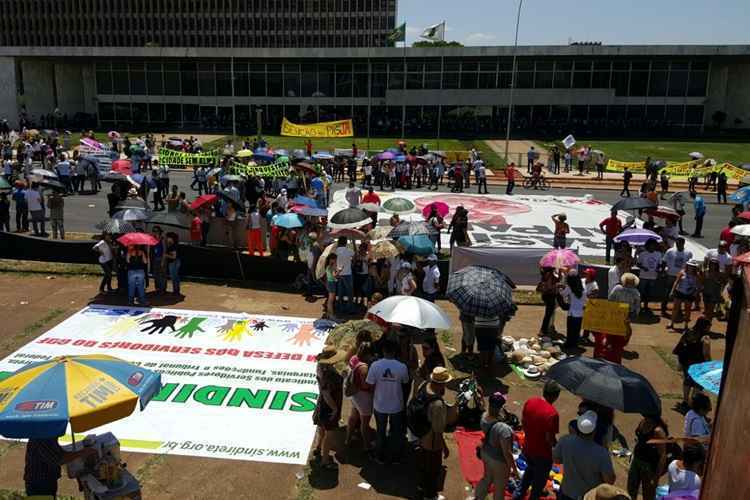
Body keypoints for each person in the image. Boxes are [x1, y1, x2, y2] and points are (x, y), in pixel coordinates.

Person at [513, 381, 560, 500]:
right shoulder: (552, 414)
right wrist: (558, 446)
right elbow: (549, 439)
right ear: (556, 396)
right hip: (542, 454)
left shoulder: (530, 402)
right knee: (538, 485)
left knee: (529, 472)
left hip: (528, 448)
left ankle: (517, 496)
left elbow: (523, 422)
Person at [553, 411, 616, 500]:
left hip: (566, 492)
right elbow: (610, 480)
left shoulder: (565, 440)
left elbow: (556, 460)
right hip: (588, 496)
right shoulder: (601, 453)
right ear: (594, 430)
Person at [366, 340, 409, 465]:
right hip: (396, 405)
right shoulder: (402, 367)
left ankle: (379, 456)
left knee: (380, 431)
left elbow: (369, 383)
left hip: (380, 404)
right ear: (395, 352)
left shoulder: (375, 365)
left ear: (383, 351)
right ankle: (395, 457)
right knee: (396, 432)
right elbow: (405, 382)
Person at [415, 367, 451, 499]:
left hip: (421, 433)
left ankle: (421, 486)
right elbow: (438, 429)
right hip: (432, 440)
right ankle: (430, 495)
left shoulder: (423, 386)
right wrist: (444, 447)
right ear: (441, 384)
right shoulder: (438, 404)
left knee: (423, 464)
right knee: (433, 469)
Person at [475, 392, 518, 500]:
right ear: (501, 407)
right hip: (499, 461)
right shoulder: (504, 429)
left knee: (486, 479)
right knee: (499, 488)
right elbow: (507, 453)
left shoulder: (484, 417)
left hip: (486, 453)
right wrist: (514, 470)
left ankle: (478, 497)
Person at [24, 438, 97, 497]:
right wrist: (81, 453)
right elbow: (58, 459)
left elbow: (60, 453)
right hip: (39, 485)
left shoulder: (49, 436)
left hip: (46, 481)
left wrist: (78, 456)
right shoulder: (42, 438)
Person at [312, 346, 345, 469]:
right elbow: (326, 393)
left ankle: (318, 448)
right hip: (329, 405)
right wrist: (335, 409)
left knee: (321, 427)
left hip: (323, 403)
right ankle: (325, 460)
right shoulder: (330, 374)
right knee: (329, 434)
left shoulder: (321, 368)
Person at [673, 318, 711, 412]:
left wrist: (680, 361)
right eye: (709, 326)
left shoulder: (688, 332)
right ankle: (693, 403)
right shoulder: (705, 337)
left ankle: (685, 401)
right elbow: (706, 353)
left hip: (686, 362)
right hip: (698, 364)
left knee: (687, 381)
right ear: (705, 326)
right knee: (698, 384)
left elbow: (680, 346)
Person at [626, 414, 668, 500]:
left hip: (649, 466)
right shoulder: (642, 422)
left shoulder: (658, 431)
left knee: (648, 495)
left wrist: (656, 478)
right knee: (631, 490)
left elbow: (663, 455)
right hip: (636, 461)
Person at [345, 342, 374, 452]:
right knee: (365, 423)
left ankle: (347, 439)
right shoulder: (364, 368)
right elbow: (365, 385)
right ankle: (367, 445)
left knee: (353, 418)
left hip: (354, 395)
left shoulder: (354, 358)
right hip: (363, 397)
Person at [661, 237, 693, 316]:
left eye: (680, 244)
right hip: (671, 275)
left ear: (683, 244)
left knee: (680, 293)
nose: (678, 245)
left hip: (682, 276)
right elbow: (664, 261)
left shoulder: (688, 253)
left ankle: (678, 310)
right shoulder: (670, 251)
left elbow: (690, 264)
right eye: (677, 243)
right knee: (667, 292)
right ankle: (663, 308)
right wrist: (662, 271)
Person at [668, 261, 702, 331]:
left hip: (690, 293)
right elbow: (676, 282)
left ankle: (686, 325)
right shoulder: (682, 272)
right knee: (675, 308)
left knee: (687, 309)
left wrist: (696, 293)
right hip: (680, 292)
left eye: (692, 266)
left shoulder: (697, 275)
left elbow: (698, 285)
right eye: (689, 265)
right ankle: (671, 323)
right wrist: (672, 291)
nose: (690, 267)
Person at [561, 270, 586, 349]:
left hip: (572, 312)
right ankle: (575, 344)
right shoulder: (582, 287)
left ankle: (569, 344)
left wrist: (561, 288)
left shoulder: (570, 287)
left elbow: (563, 294)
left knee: (570, 330)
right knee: (576, 330)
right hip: (580, 313)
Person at [636, 238, 663, 312]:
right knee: (641, 292)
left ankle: (646, 306)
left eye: (653, 245)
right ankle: (639, 306)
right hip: (643, 276)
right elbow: (638, 264)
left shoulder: (658, 254)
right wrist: (643, 268)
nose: (652, 247)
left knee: (649, 292)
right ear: (648, 246)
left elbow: (660, 264)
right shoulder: (642, 254)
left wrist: (658, 269)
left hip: (653, 276)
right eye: (651, 245)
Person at [537, 267, 560, 336]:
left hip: (545, 296)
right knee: (548, 314)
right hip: (550, 296)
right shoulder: (550, 276)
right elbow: (552, 285)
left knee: (548, 313)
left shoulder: (544, 275)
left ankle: (546, 329)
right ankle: (543, 330)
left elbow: (557, 280)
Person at [335, 237, 355, 313]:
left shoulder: (336, 251)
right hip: (348, 273)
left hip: (339, 273)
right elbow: (354, 254)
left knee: (340, 292)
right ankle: (350, 308)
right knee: (349, 292)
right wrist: (353, 243)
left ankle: (340, 307)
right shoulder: (349, 250)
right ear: (346, 242)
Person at [324, 253, 340, 320]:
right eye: (335, 259)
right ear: (332, 259)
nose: (336, 260)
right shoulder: (332, 266)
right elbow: (334, 276)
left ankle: (329, 313)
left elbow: (331, 276)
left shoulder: (328, 266)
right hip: (331, 284)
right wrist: (339, 271)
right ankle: (331, 314)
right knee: (331, 300)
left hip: (329, 283)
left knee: (330, 300)